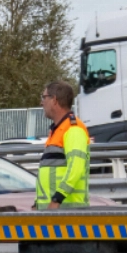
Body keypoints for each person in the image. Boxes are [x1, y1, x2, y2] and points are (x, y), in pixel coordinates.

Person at [36, 80, 90, 209]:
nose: (41, 102)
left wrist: (57, 199)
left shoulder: (73, 129)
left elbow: (76, 168)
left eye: (44, 97)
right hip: (55, 211)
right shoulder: (57, 130)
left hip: (67, 211)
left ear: (54, 100)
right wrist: (36, 204)